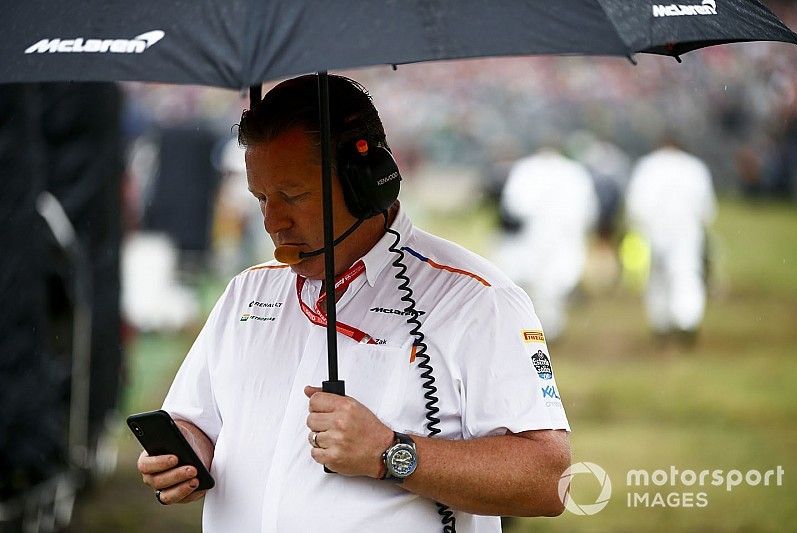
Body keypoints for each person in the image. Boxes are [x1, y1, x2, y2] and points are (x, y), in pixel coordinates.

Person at [137, 75, 571, 532]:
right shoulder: (247, 292)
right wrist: (184, 456)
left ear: (368, 182)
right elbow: (197, 423)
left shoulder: (478, 299)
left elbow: (549, 478)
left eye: (294, 196)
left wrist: (390, 453)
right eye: (261, 197)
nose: (272, 221)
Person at [495, 145, 599, 340]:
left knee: (540, 285)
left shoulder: (527, 170)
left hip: (539, 237)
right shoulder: (573, 173)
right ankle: (545, 329)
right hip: (559, 237)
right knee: (550, 284)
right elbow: (588, 211)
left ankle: (542, 330)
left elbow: (514, 206)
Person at [625, 136, 717, 342]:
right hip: (686, 231)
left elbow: (635, 206)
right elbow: (707, 211)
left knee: (657, 279)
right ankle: (686, 322)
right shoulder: (694, 168)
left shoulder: (647, 167)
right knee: (685, 274)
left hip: (652, 231)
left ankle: (661, 325)